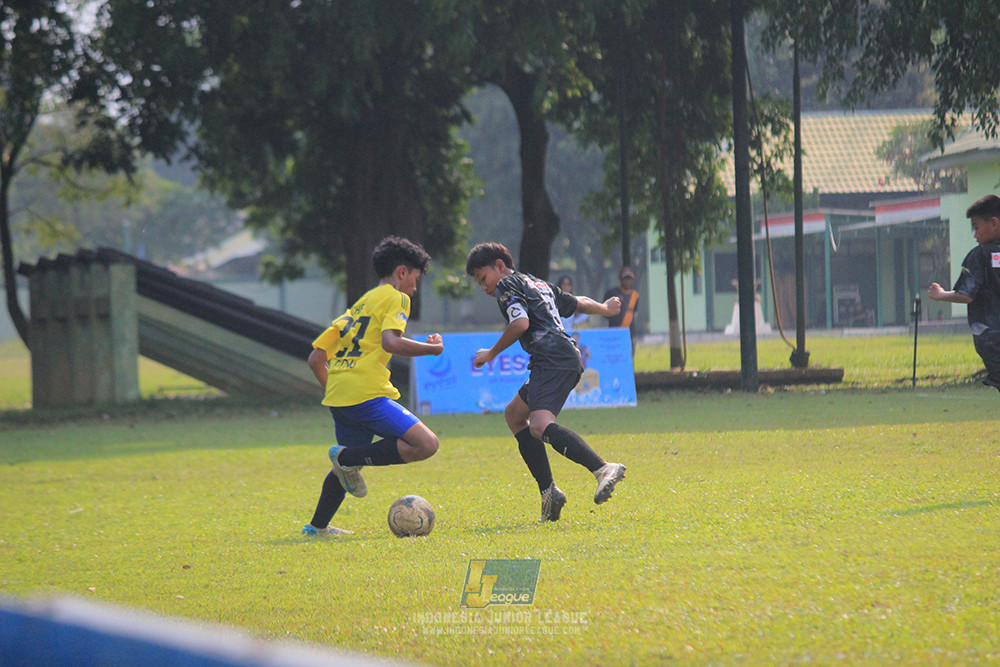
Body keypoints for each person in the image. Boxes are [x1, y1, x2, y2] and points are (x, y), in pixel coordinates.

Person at [466, 242, 627, 522]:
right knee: (515, 415)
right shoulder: (538, 284)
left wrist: (491, 353)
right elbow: (576, 302)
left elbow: (520, 325)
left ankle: (602, 469)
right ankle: (549, 493)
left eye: (483, 278)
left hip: (552, 356)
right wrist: (604, 308)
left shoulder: (508, 286)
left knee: (539, 425)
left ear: (500, 266)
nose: (483, 287)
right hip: (560, 355)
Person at [302, 236, 444, 535]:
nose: (414, 289)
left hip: (340, 397)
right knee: (426, 444)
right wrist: (430, 350)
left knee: (346, 467)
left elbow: (316, 358)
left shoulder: (358, 306)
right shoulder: (396, 297)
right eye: (415, 280)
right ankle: (345, 458)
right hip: (367, 394)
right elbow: (391, 342)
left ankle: (317, 527)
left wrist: (338, 390)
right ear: (402, 272)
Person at [928, 194, 1000, 391]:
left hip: (992, 336)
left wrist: (940, 294)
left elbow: (966, 294)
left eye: (976, 228)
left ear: (994, 223)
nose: (975, 235)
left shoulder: (980, 255)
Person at [603, 266, 640, 352]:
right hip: (615, 331)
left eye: (629, 279)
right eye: (625, 278)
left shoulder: (635, 295)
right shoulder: (612, 293)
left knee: (629, 356)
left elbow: (634, 313)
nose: (627, 281)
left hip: (630, 333)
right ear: (620, 279)